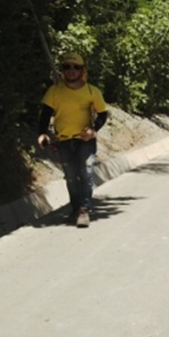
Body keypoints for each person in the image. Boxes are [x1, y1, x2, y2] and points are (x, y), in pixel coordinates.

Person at [36, 52, 108, 228]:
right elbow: (45, 113)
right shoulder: (55, 91)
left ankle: (84, 209)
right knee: (70, 176)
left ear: (82, 70)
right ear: (62, 70)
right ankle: (76, 209)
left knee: (86, 171)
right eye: (67, 67)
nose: (71, 70)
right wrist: (42, 133)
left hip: (85, 140)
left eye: (76, 67)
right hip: (63, 140)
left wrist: (93, 130)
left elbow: (102, 114)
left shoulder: (92, 91)